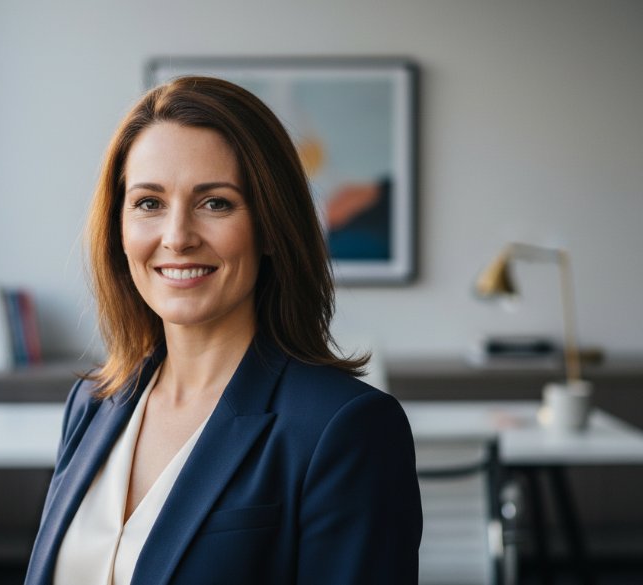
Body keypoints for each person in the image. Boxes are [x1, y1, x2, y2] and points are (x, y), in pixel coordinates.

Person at [25, 76, 422, 585]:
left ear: (271, 228)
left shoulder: (345, 429)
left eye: (215, 203)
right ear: (118, 228)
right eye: (149, 203)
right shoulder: (93, 403)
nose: (177, 237)